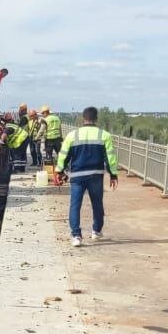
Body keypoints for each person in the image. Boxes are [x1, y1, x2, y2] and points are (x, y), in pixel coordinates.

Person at [55, 106, 119, 247]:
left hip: (77, 176)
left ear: (83, 119)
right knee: (97, 204)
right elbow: (110, 158)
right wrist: (113, 174)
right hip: (96, 175)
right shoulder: (104, 135)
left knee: (75, 205)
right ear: (96, 119)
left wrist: (59, 171)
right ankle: (96, 231)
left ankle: (76, 235)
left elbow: (63, 155)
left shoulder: (72, 135)